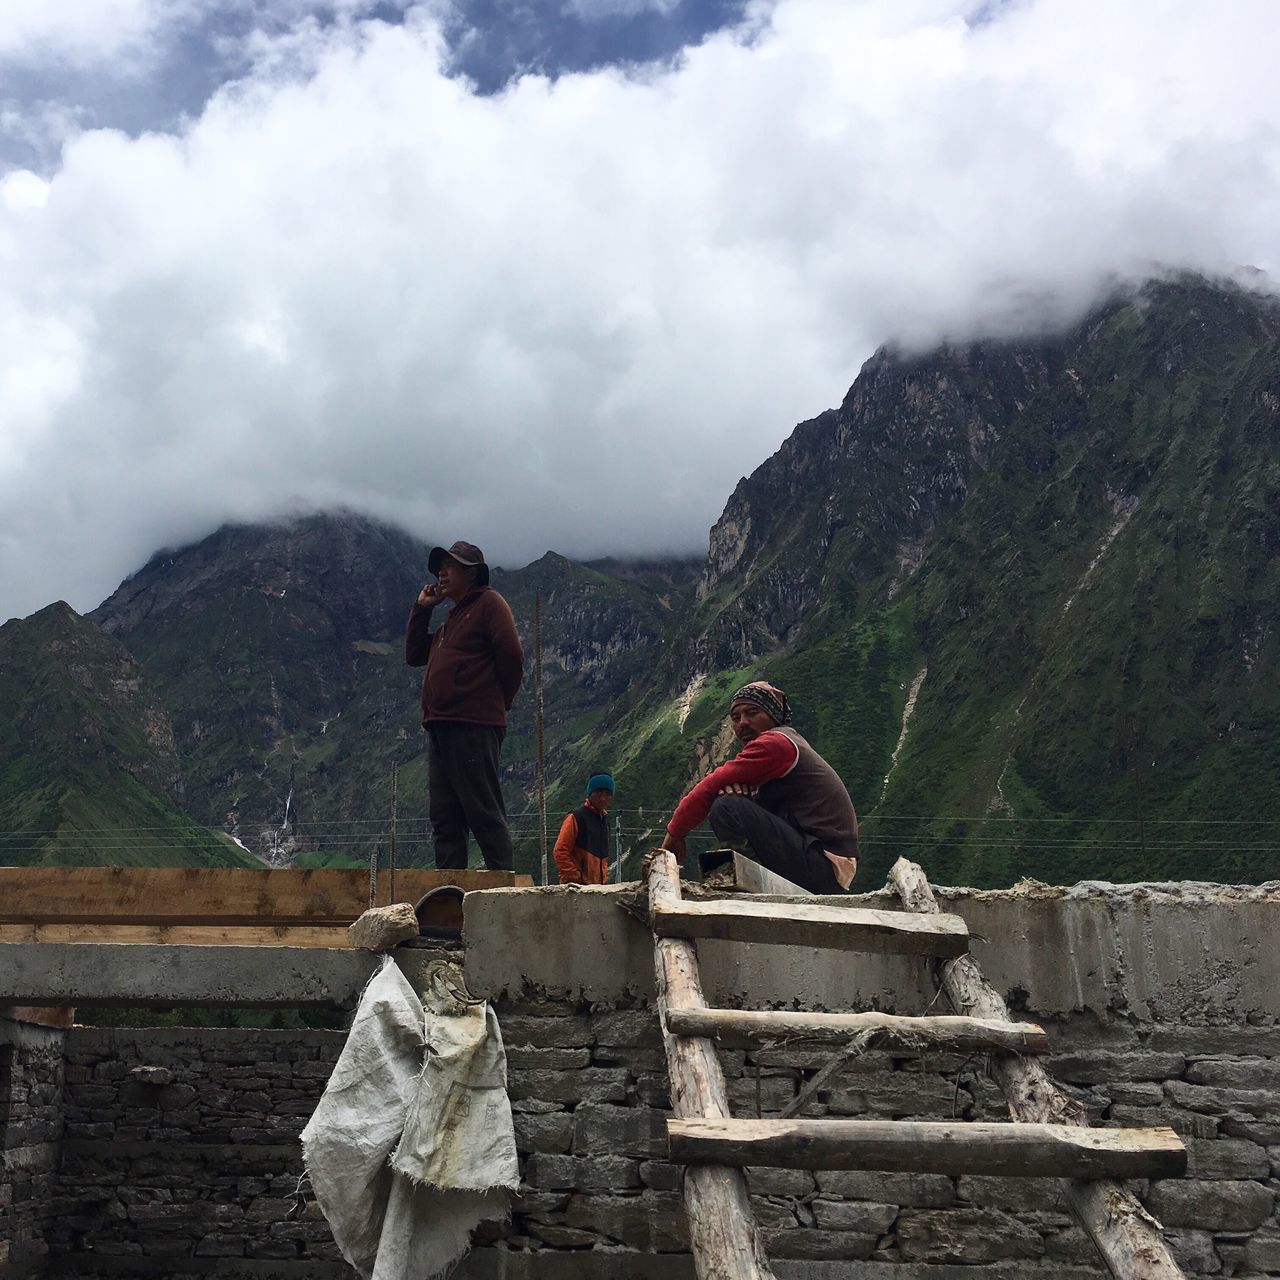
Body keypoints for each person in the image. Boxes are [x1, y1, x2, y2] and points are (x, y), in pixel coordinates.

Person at [661, 681, 859, 894]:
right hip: (821, 860)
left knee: (727, 806)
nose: (742, 723)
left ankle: (752, 888)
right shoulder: (789, 743)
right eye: (735, 718)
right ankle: (754, 881)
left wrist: (675, 834)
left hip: (825, 866)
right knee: (733, 801)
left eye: (752, 713)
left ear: (773, 716)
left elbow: (710, 786)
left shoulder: (776, 744)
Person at [405, 540, 524, 871]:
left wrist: (500, 703)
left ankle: (503, 889)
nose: (441, 573)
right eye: (439, 568)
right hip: (441, 727)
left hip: (473, 725)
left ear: (471, 572)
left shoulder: (489, 604)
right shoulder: (450, 621)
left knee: (483, 811)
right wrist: (423, 608)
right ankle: (448, 897)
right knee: (445, 818)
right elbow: (414, 655)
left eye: (450, 566)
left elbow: (512, 656)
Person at [554, 774, 615, 885]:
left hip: (598, 889)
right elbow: (560, 851)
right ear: (590, 793)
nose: (602, 798)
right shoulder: (576, 817)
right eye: (598, 793)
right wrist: (575, 878)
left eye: (607, 794)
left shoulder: (605, 821)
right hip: (576, 890)